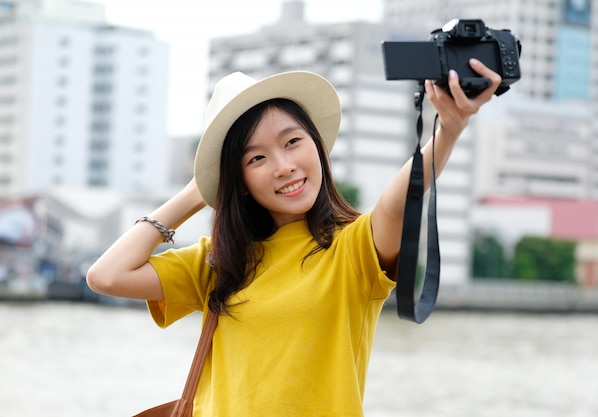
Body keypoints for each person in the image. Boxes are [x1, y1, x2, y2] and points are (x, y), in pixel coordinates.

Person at [87, 59, 501, 416]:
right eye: (257, 158)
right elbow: (106, 276)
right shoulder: (218, 261)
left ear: (317, 147)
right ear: (241, 180)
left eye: (292, 142)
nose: (283, 166)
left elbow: (397, 202)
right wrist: (196, 192)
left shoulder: (352, 248)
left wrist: (448, 128)